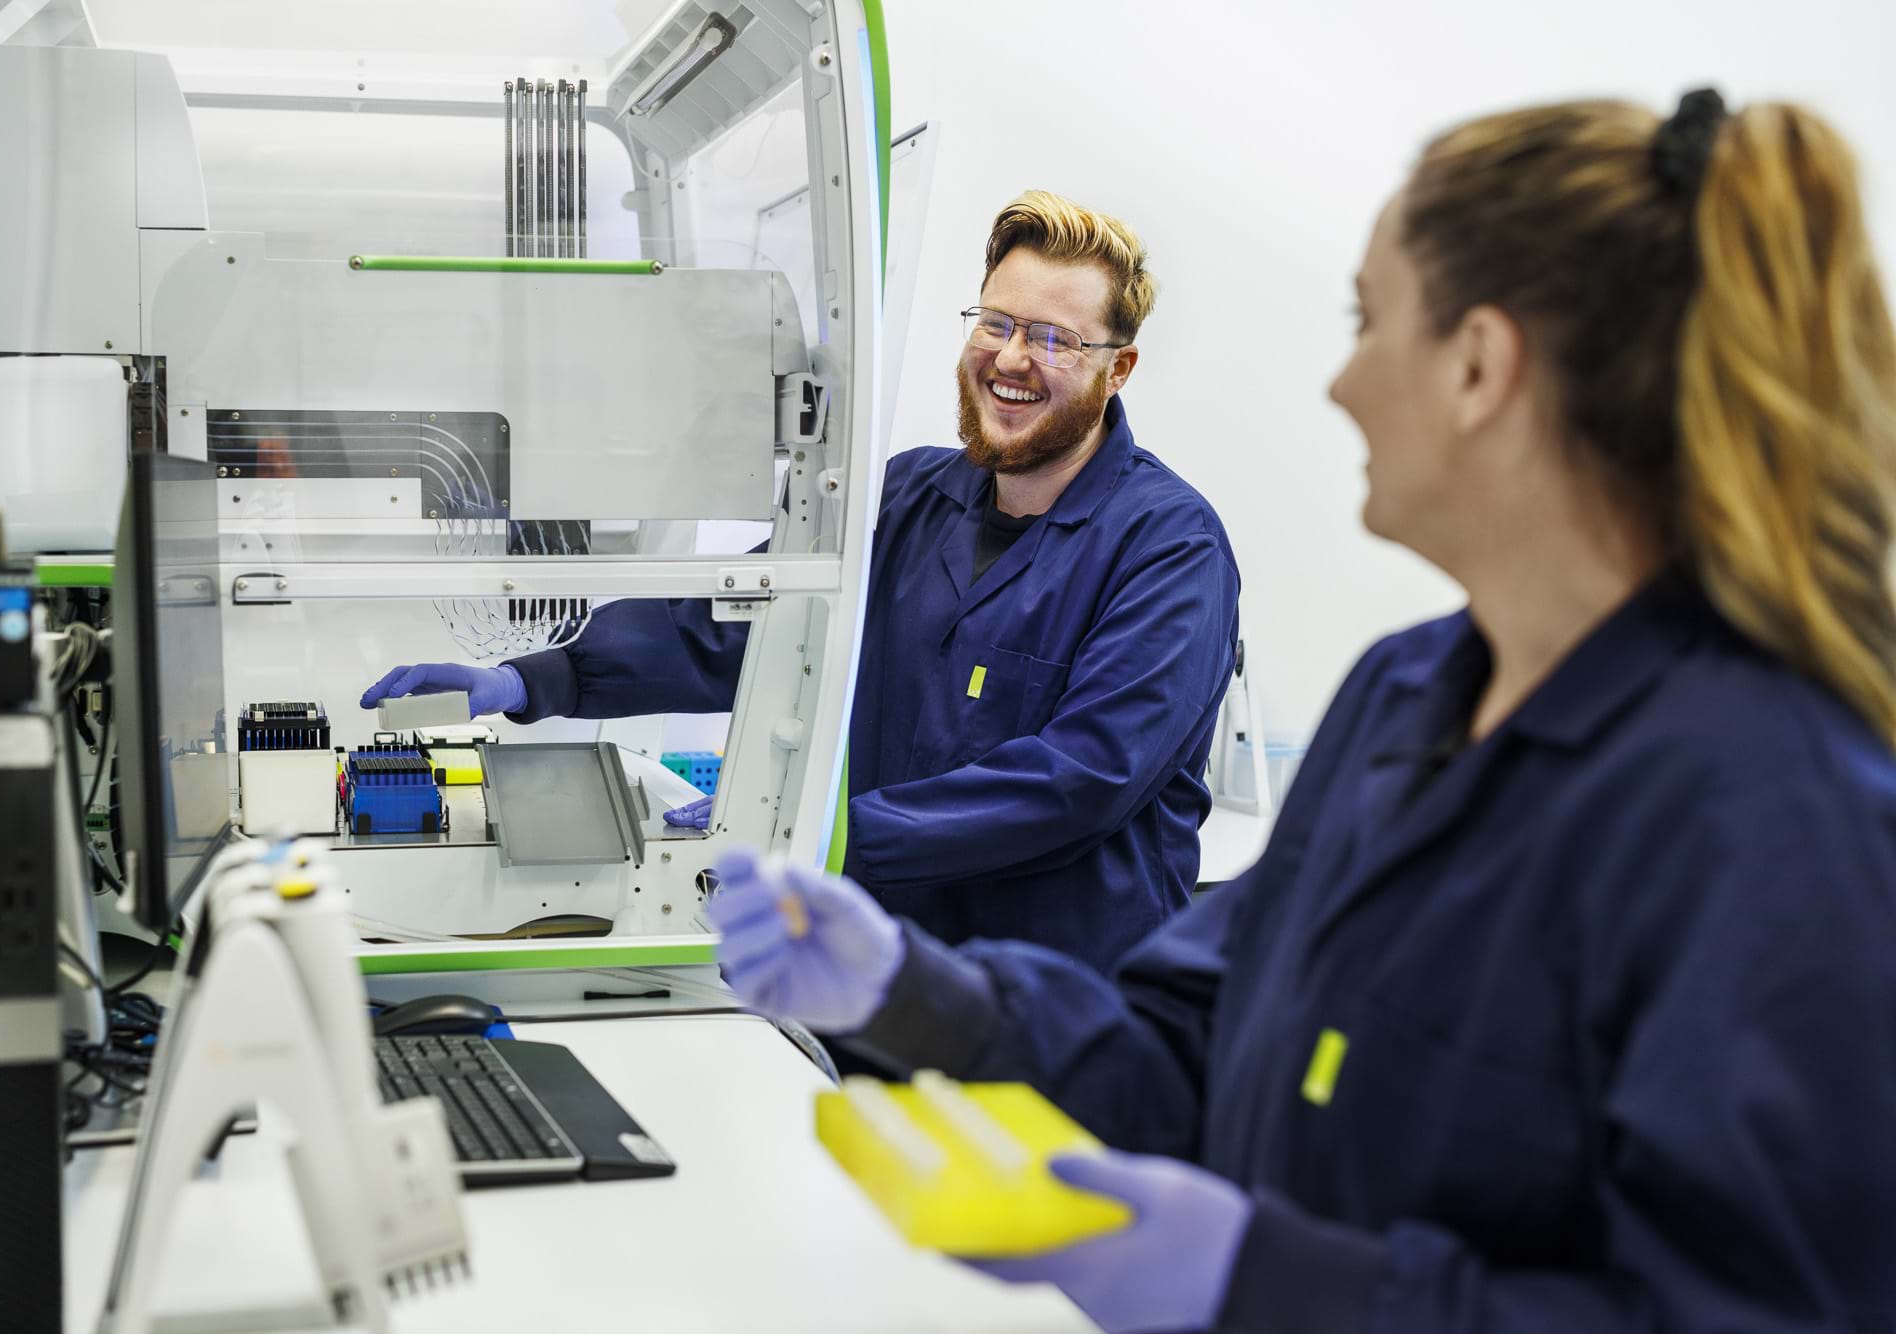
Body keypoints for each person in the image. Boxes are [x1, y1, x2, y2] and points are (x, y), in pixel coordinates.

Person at [706, 90, 1896, 1333]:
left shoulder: (1776, 812)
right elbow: (1198, 1040)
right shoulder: (1406, 693)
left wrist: (1266, 1279)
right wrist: (914, 990)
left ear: (1479, 368)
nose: (1340, 383)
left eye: (1367, 321)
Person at [363, 192, 1240, 971]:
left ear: (1118, 368)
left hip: (1060, 1012)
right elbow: (741, 625)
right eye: (995, 323)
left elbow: (1080, 778)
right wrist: (533, 678)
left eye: (1053, 338)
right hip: (880, 977)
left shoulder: (1169, 549)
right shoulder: (908, 497)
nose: (1012, 359)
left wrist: (812, 833)